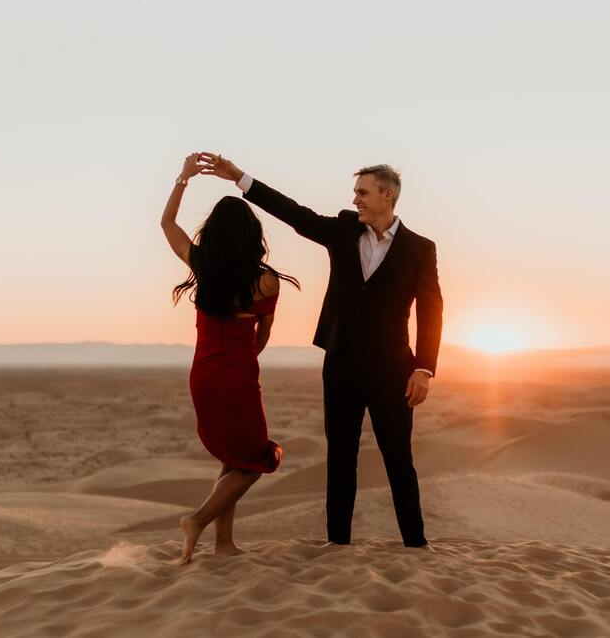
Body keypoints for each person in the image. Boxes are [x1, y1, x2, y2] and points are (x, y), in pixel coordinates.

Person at [200, 152, 442, 549]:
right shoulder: (343, 230)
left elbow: (432, 310)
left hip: (393, 370)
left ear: (388, 195)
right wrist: (240, 178)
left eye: (363, 192)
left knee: (398, 457)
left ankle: (415, 544)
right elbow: (294, 214)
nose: (356, 200)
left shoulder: (420, 248)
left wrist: (424, 368)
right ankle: (337, 545)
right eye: (355, 193)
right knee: (341, 458)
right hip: (341, 365)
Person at [161, 152, 300, 565]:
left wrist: (183, 179)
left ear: (215, 235)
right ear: (252, 234)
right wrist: (244, 359)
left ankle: (224, 545)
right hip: (238, 377)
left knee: (232, 457)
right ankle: (198, 520)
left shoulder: (203, 267)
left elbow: (167, 225)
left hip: (202, 376)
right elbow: (264, 336)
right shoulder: (265, 280)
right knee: (256, 460)